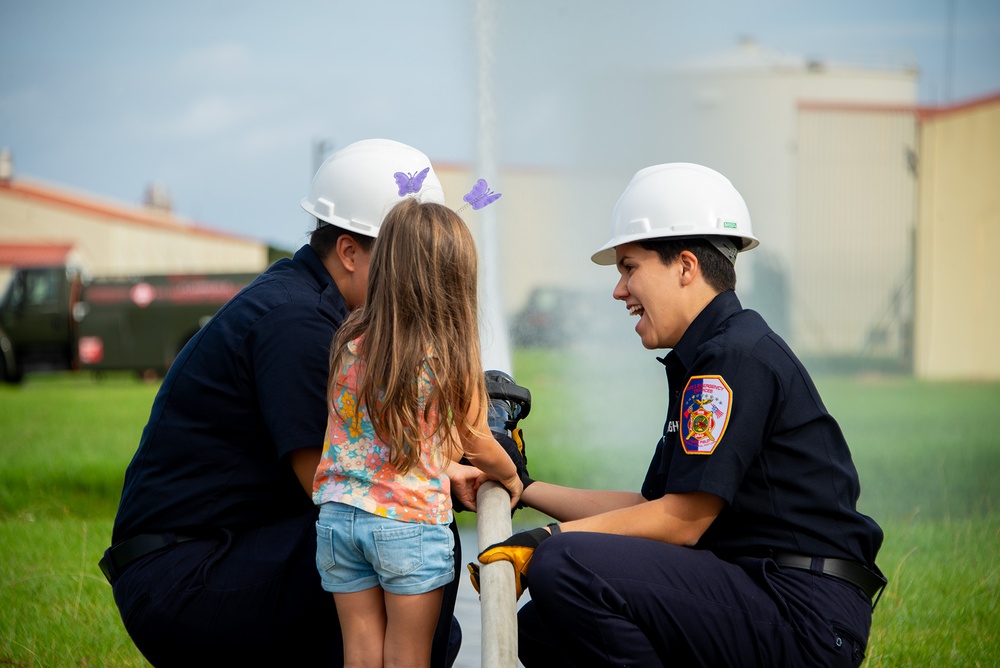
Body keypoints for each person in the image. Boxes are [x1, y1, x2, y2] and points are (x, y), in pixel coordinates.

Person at [477, 163, 887, 667]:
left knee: (565, 565)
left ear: (686, 266)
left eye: (629, 267)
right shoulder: (713, 355)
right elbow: (654, 506)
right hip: (768, 593)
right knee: (541, 630)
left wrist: (547, 539)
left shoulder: (734, 359)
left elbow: (682, 523)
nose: (619, 289)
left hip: (802, 615)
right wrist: (526, 487)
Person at [99, 138, 481, 666]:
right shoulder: (298, 326)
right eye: (404, 262)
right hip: (184, 582)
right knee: (412, 528)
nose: (419, 283)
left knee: (402, 548)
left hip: (215, 554)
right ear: (349, 252)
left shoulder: (324, 313)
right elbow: (330, 485)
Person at [314, 198, 522, 666]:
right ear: (455, 280)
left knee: (361, 654)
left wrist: (442, 467)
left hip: (338, 520)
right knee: (407, 657)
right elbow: (477, 441)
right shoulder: (447, 355)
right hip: (407, 525)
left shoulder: (350, 340)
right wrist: (510, 477)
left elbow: (371, 438)